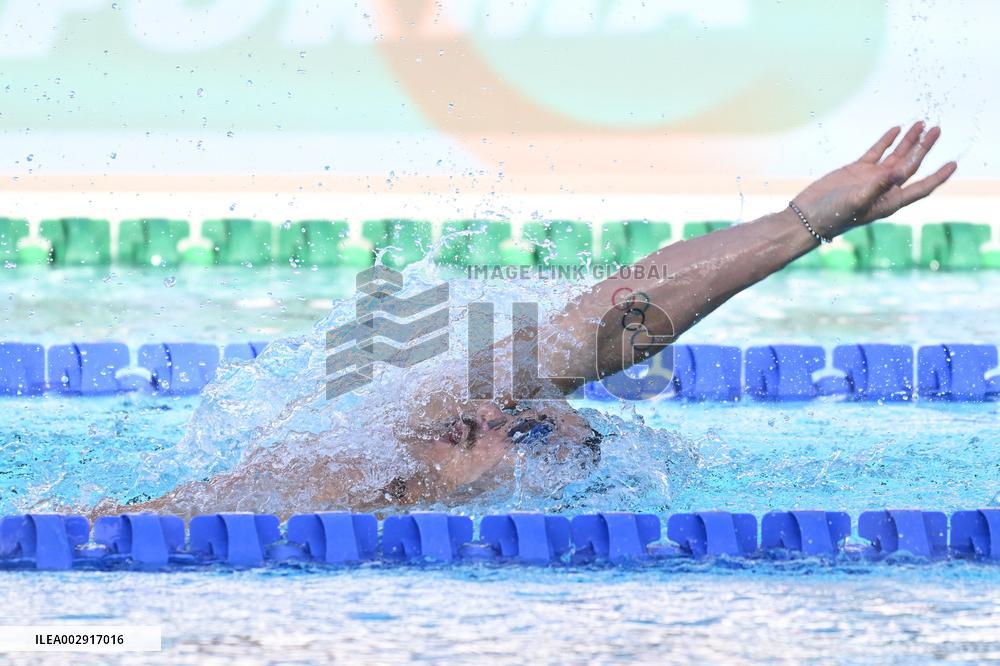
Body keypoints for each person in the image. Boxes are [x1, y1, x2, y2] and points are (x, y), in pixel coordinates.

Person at [100, 122, 955, 519]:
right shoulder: (380, 440)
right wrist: (801, 224)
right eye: (514, 402)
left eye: (524, 434)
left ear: (525, 498)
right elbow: (604, 323)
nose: (488, 413)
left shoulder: (377, 517)